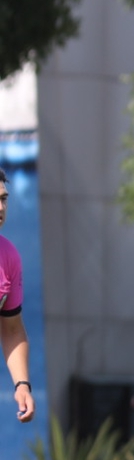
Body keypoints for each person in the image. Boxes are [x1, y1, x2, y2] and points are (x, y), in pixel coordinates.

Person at [0, 170, 36, 425]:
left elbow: (12, 329)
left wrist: (22, 384)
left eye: (3, 199)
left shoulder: (9, 257)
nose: (0, 207)